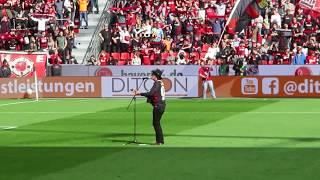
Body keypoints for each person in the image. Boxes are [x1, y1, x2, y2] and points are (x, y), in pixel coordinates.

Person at [134, 69, 166, 145]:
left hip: (158, 106)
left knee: (156, 123)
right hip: (161, 105)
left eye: (152, 75)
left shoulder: (157, 83)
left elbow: (151, 93)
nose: (151, 76)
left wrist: (139, 93)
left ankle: (159, 141)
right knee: (156, 123)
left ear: (156, 76)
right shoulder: (160, 83)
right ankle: (160, 141)